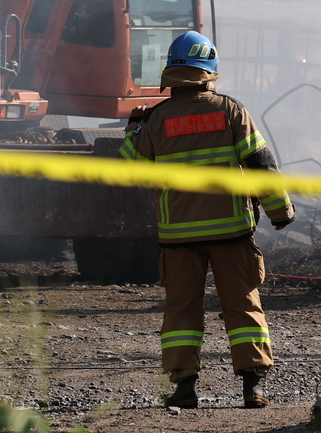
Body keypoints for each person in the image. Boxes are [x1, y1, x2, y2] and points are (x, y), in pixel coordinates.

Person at [120, 30, 295, 409]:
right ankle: (253, 387)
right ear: (208, 69)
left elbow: (132, 169)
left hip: (178, 236)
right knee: (243, 305)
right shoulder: (230, 111)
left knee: (181, 309)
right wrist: (281, 212)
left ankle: (184, 388)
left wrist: (133, 129)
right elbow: (261, 166)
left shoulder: (156, 120)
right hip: (230, 231)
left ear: (171, 71)